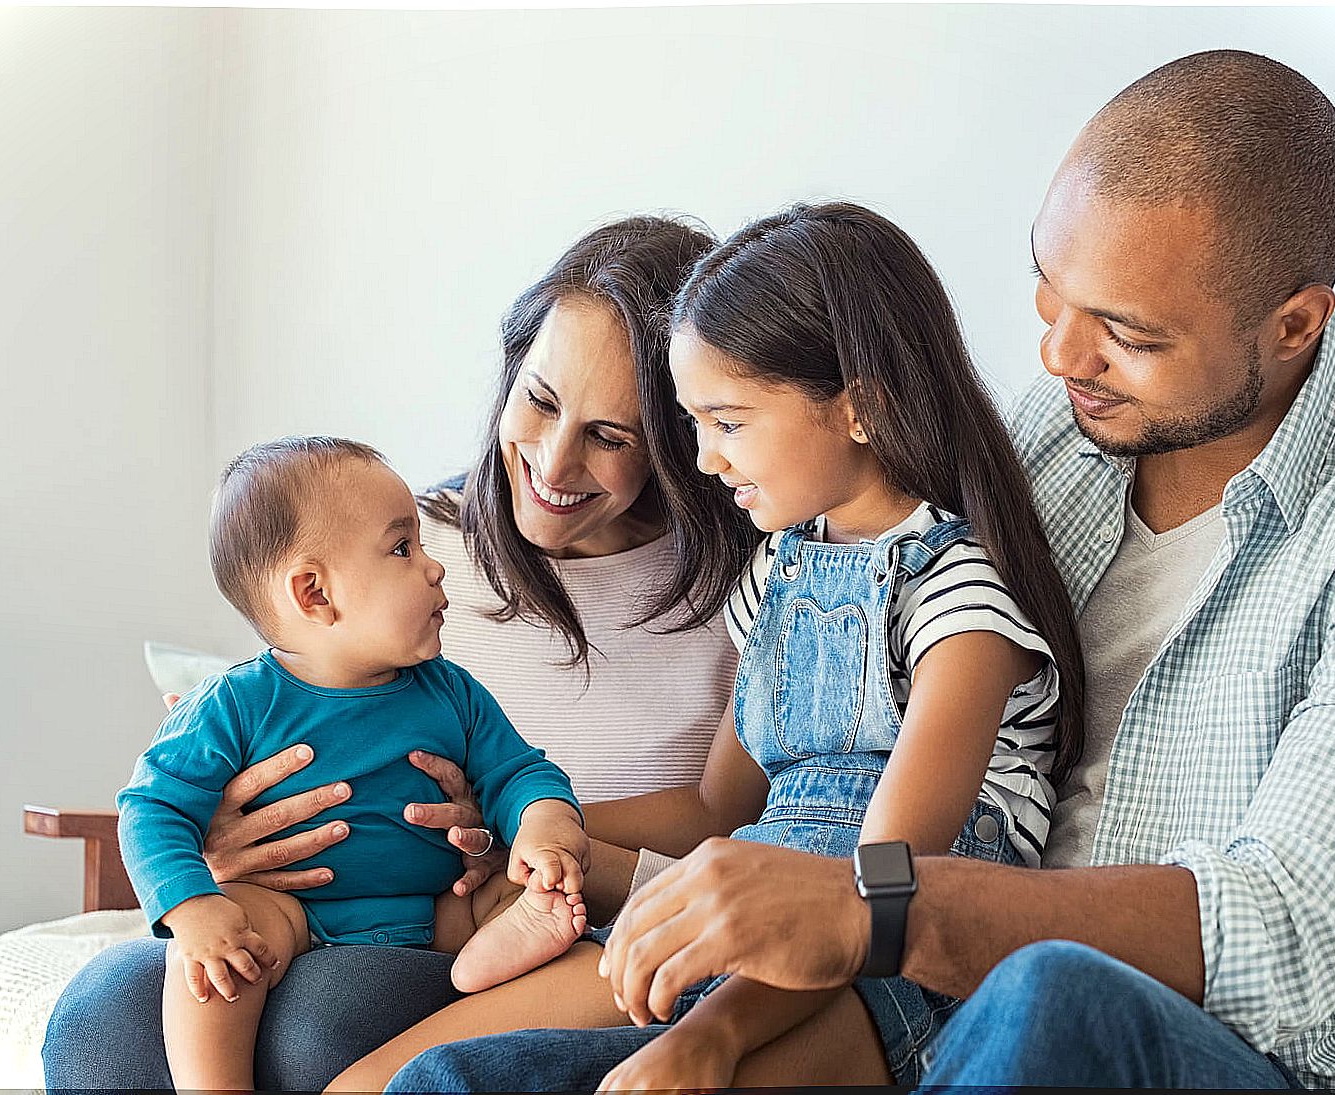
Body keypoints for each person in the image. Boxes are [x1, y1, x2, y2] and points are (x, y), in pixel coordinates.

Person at [391, 50, 1335, 1092]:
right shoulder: (1055, 439)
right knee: (454, 1082)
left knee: (1048, 997)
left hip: (1177, 1042)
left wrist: (877, 906)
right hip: (915, 984)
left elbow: (1293, 931)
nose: (1058, 359)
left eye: (1124, 333)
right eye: (1048, 292)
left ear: (1295, 322)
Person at [325, 200, 1088, 1092]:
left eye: (725, 422)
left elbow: (882, 890)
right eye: (691, 425)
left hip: (878, 964)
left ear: (861, 409)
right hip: (737, 908)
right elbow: (721, 808)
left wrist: (711, 1037)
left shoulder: (958, 600)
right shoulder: (777, 575)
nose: (705, 459)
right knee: (391, 1082)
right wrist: (523, 826)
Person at [42, 215, 760, 1092]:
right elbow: (273, 703)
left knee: (318, 1025)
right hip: (306, 897)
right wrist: (211, 852)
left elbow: (726, 816)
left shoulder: (742, 586)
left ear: (680, 437)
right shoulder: (406, 536)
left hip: (486, 905)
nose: (554, 459)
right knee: (101, 1017)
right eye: (537, 400)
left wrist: (521, 829)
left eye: (611, 436)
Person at [118, 436, 593, 1091]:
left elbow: (519, 771)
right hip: (294, 911)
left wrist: (543, 828)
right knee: (220, 956)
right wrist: (195, 909)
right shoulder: (236, 702)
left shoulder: (451, 690)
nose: (434, 568)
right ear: (315, 593)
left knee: (513, 887)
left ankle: (491, 955)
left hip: (438, 907)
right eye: (403, 548)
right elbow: (152, 807)